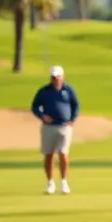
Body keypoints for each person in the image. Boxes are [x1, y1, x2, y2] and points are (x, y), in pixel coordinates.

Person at [31, 65, 79, 195]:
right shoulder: (44, 91)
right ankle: (50, 183)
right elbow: (34, 106)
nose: (55, 79)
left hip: (64, 126)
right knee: (49, 155)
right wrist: (42, 116)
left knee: (63, 153)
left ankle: (63, 182)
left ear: (62, 77)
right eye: (53, 77)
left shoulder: (68, 90)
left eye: (57, 77)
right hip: (48, 127)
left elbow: (75, 105)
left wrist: (72, 119)